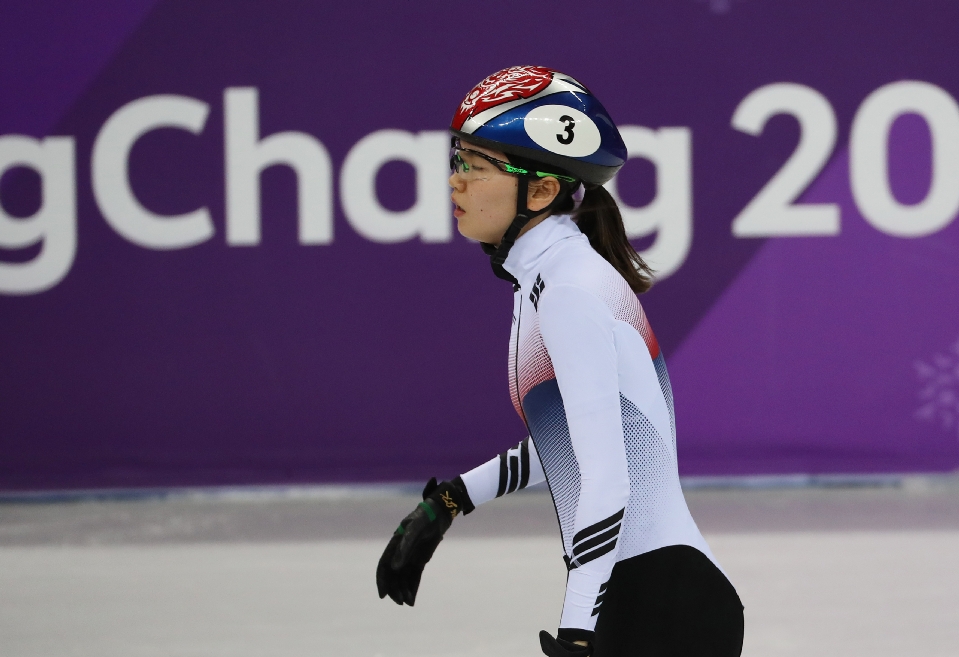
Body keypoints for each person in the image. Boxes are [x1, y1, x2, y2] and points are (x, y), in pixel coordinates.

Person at [376, 65, 744, 657]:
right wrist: (447, 502)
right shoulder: (545, 279)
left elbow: (607, 478)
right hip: (652, 596)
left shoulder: (571, 289)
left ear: (542, 190)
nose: (455, 182)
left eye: (475, 164)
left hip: (660, 606)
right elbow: (572, 439)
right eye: (456, 159)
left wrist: (577, 631)